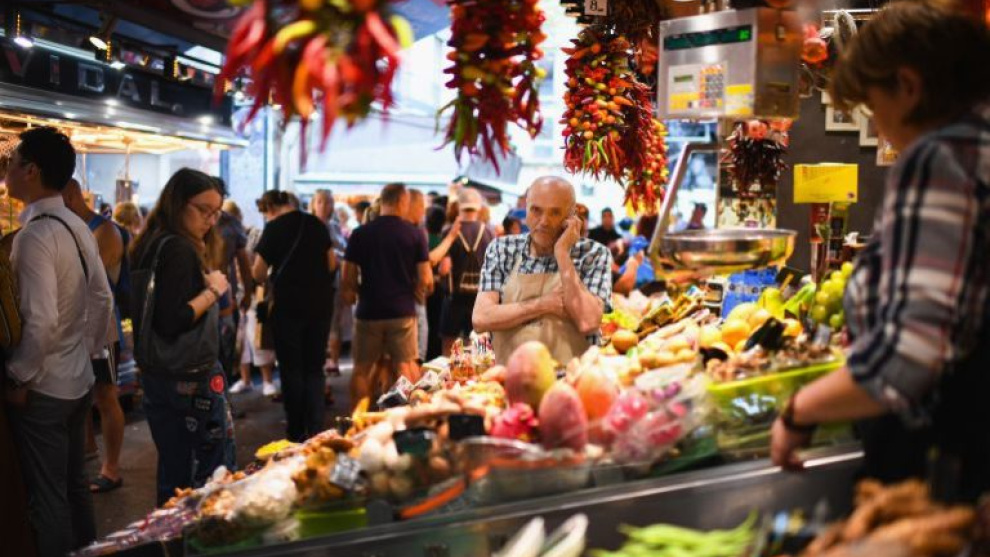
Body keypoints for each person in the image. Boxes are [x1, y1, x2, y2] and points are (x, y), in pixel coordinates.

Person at [770, 0, 990, 502]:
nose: (881, 130)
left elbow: (910, 356)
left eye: (873, 106)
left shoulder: (940, 161)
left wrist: (800, 411)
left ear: (908, 86)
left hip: (942, 460)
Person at [4, 127, 114, 556]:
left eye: (11, 164)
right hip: (78, 379)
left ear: (31, 171)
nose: (7, 173)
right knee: (74, 487)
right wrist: (85, 351)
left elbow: (41, 321)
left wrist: (19, 375)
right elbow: (102, 298)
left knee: (48, 497)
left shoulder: (34, 236)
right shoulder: (77, 225)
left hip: (44, 388)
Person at [130, 168, 235, 506]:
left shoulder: (150, 243)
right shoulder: (178, 248)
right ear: (177, 203)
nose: (210, 220)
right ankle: (204, 532)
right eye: (203, 210)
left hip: (157, 372)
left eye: (216, 213)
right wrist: (214, 290)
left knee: (174, 470)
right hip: (190, 375)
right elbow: (172, 321)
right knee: (211, 475)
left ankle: (169, 531)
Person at [473, 177, 612, 365]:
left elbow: (588, 321)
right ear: (526, 210)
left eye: (555, 212)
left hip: (572, 377)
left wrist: (562, 253)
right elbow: (481, 318)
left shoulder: (593, 254)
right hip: (508, 376)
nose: (544, 221)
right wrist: (544, 304)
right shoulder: (502, 249)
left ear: (572, 217)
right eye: (536, 210)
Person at [252, 190, 337, 441]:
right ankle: (316, 427)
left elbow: (258, 272)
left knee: (291, 369)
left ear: (271, 209)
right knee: (314, 367)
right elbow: (332, 264)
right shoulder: (316, 224)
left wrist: (275, 276)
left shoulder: (273, 228)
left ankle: (296, 429)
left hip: (288, 307)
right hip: (320, 306)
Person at [61, 179, 127, 494]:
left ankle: (111, 469)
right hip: (74, 326)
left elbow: (87, 280)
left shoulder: (105, 231)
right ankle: (87, 452)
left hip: (103, 328)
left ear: (72, 195)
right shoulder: (70, 227)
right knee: (80, 397)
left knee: (106, 396)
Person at [342, 183, 432, 407]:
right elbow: (426, 278)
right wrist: (416, 289)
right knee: (406, 365)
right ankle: (411, 417)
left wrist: (356, 292)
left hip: (368, 311)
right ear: (402, 202)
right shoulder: (414, 234)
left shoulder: (360, 233)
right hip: (402, 312)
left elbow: (348, 275)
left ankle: (357, 418)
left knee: (362, 369)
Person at [231, 198, 277, 397]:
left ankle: (267, 380)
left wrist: (247, 271)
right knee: (240, 340)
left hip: (255, 291)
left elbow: (263, 265)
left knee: (257, 336)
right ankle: (245, 379)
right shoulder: (218, 237)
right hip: (234, 292)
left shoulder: (255, 235)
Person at [440, 188, 494, 355]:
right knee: (479, 345)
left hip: (454, 298)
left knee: (449, 345)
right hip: (480, 298)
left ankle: (448, 371)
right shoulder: (488, 232)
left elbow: (444, 269)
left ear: (459, 205)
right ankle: (476, 371)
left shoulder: (449, 231)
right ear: (479, 207)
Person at [311, 189, 348, 379]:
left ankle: (333, 361)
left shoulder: (335, 226)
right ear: (313, 204)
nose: (324, 206)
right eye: (320, 202)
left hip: (335, 280)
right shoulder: (309, 225)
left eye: (328, 202)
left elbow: (343, 251)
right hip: (315, 281)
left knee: (335, 322)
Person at [405, 189, 430, 362]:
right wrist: (422, 287)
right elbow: (425, 275)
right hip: (412, 302)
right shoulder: (416, 233)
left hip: (395, 304)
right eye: (421, 205)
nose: (423, 211)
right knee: (414, 357)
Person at [424, 206, 449, 361]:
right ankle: (436, 356)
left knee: (427, 322)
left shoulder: (423, 240)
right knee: (437, 323)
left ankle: (427, 355)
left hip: (425, 287)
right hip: (440, 288)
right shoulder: (443, 242)